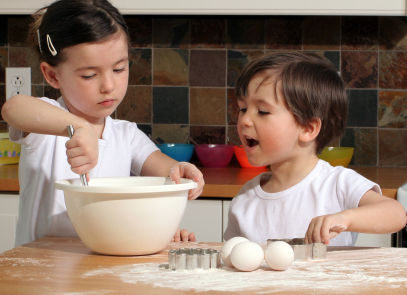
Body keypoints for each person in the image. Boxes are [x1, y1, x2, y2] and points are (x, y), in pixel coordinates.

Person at [1, 0, 203, 246]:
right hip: (39, 276)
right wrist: (78, 127)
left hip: (99, 271)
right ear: (53, 75)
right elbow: (13, 107)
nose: (109, 86)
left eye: (119, 69)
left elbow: (168, 172)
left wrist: (183, 172)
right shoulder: (46, 124)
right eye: (90, 75)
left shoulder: (126, 135)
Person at [224, 52, 407, 246]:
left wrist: (345, 219)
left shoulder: (337, 184)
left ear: (307, 128)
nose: (244, 120)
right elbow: (231, 257)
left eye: (262, 111)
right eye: (243, 108)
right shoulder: (245, 199)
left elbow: (395, 214)